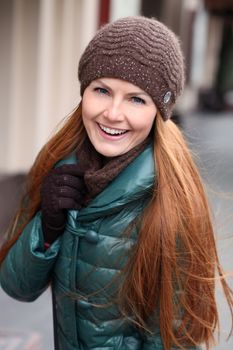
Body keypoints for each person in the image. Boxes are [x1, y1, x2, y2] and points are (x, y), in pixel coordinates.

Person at [0, 16, 232, 350]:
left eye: (136, 99)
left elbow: (174, 340)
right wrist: (47, 228)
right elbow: (16, 287)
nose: (112, 113)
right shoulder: (63, 169)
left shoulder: (170, 206)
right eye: (102, 91)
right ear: (84, 92)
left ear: (159, 111)